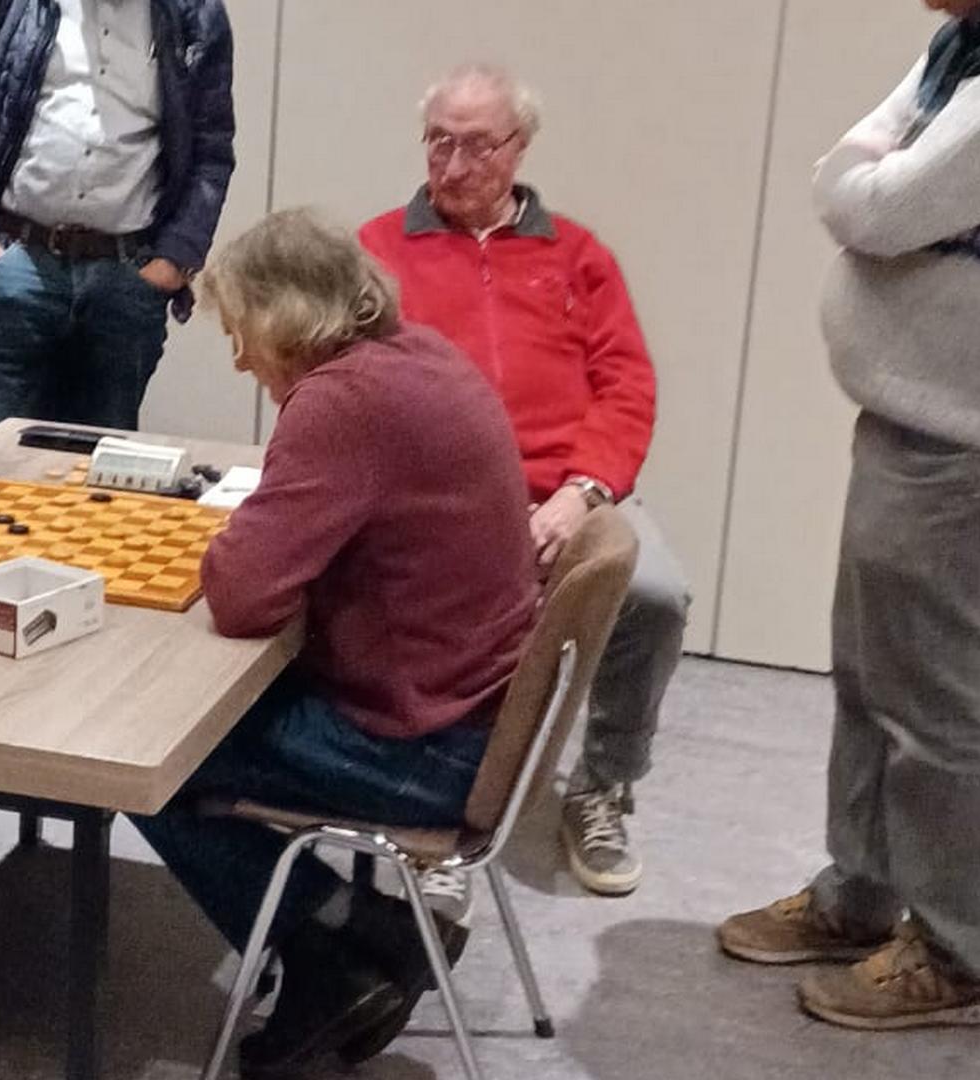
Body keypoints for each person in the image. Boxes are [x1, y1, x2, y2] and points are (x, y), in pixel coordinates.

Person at [130, 210, 537, 1076]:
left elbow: (242, 596)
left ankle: (326, 964)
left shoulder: (343, 402)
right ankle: (372, 928)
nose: (239, 361)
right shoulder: (419, 355)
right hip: (481, 716)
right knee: (183, 727)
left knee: (141, 751)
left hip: (428, 749)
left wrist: (247, 539)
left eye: (240, 334)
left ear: (286, 320)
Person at [717, 0, 980, 1031]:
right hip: (916, 415)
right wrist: (868, 180)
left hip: (972, 433)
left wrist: (871, 182)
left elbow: (876, 208)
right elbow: (847, 173)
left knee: (931, 696)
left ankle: (951, 955)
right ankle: (859, 895)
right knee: (871, 671)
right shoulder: (968, 37)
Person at [357, 63, 689, 906]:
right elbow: (348, 384)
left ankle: (602, 788)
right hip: (440, 503)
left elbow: (626, 387)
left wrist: (581, 491)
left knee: (654, 596)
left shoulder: (576, 255)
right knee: (445, 612)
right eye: (439, 142)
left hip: (572, 491)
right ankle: (441, 813)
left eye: (477, 145)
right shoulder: (376, 251)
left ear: (519, 146)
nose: (454, 164)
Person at [0, 0, 237, 442]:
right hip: (6, 271)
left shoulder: (195, 14)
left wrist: (172, 262)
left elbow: (212, 153)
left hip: (126, 283)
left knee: (98, 472)